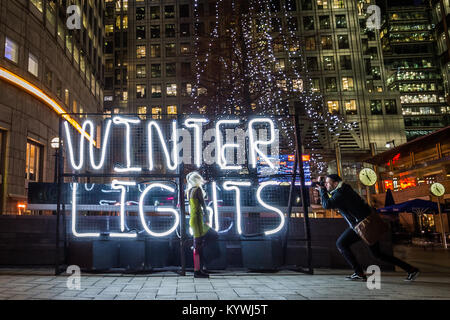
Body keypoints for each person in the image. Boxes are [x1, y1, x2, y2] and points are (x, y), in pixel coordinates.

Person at [316, 174, 420, 281]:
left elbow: (326, 205)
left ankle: (359, 273)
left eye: (327, 183)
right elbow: (331, 197)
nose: (326, 185)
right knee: (377, 254)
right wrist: (323, 187)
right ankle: (411, 269)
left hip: (362, 225)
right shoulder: (344, 189)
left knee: (341, 244)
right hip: (364, 224)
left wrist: (322, 190)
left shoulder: (341, 193)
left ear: (335, 183)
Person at [186, 171, 218, 278]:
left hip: (194, 219)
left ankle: (198, 269)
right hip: (198, 220)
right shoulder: (198, 190)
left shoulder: (189, 190)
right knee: (213, 235)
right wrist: (208, 218)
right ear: (197, 180)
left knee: (199, 244)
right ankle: (198, 270)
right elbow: (204, 206)